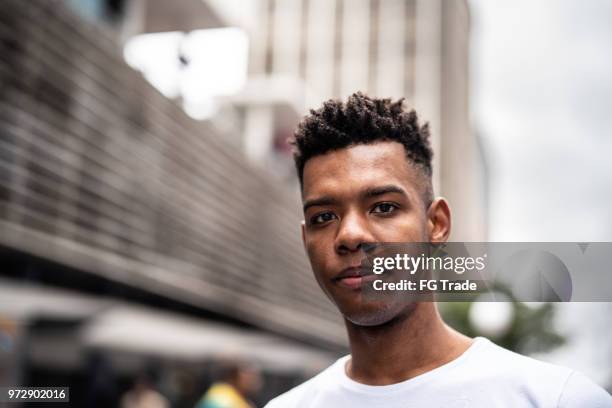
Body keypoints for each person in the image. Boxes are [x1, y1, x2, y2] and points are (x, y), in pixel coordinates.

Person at [265, 92, 612, 407]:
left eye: (383, 207)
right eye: (323, 216)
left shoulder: (558, 400)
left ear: (437, 224)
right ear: (305, 239)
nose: (350, 235)